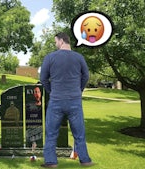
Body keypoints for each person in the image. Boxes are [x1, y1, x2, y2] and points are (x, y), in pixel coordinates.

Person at [40, 32, 93, 168]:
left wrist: (51, 91)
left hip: (56, 100)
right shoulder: (79, 57)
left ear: (61, 41)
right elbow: (86, 76)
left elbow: (43, 79)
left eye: (55, 41)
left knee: (51, 133)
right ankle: (85, 160)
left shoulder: (50, 57)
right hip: (74, 101)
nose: (55, 44)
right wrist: (78, 90)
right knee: (79, 134)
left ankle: (51, 162)